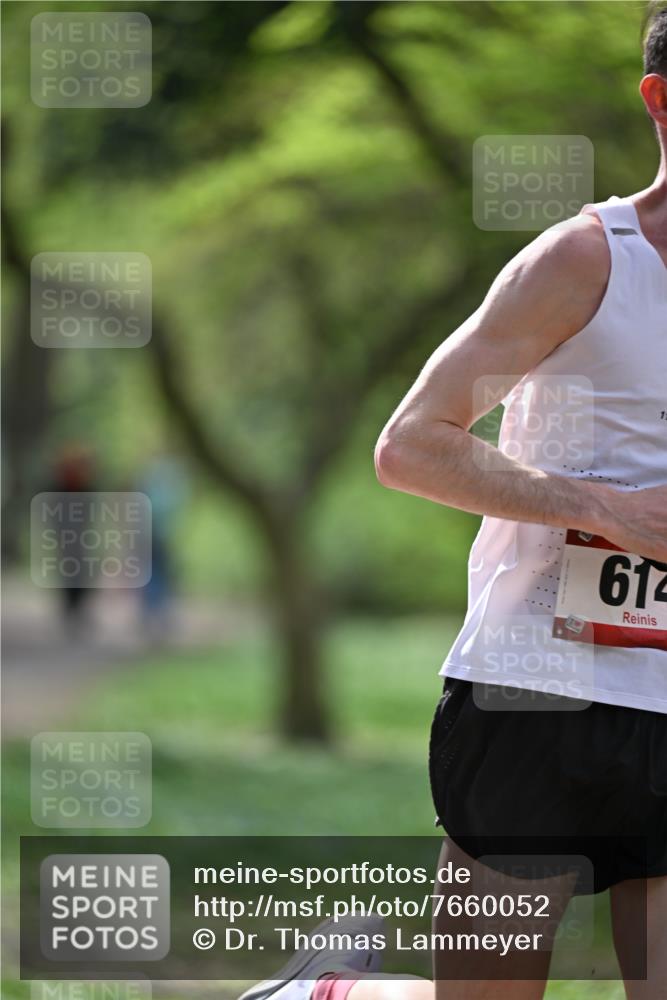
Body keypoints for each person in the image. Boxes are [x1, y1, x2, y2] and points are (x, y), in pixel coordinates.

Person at [239, 5, 667, 999]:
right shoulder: (582, 262)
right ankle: (329, 990)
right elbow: (410, 446)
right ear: (659, 100)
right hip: (531, 694)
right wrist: (605, 507)